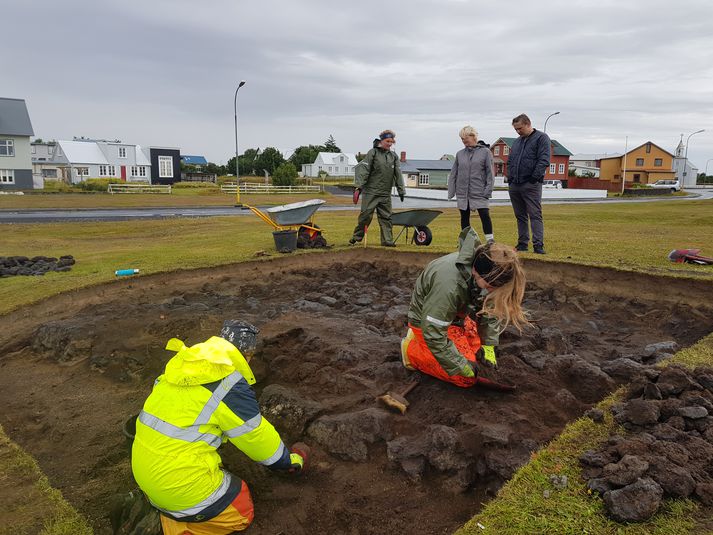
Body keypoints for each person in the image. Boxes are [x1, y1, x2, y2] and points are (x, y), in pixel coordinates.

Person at [131, 323, 308, 535]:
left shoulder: (182, 366)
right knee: (240, 510)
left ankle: (171, 511)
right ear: (247, 353)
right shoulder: (227, 383)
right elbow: (256, 436)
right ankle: (181, 528)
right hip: (178, 489)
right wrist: (289, 461)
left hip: (146, 477)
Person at [401, 227, 529, 387]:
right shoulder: (449, 285)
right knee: (464, 377)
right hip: (427, 321)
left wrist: (488, 345)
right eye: (491, 287)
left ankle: (453, 342)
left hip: (456, 316)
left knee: (476, 354)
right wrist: (460, 366)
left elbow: (489, 308)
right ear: (477, 273)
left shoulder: (485, 270)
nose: (492, 291)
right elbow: (434, 332)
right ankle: (411, 350)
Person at [349, 129, 406, 247]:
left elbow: (398, 174)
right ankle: (356, 237)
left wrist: (401, 190)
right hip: (371, 192)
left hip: (385, 193)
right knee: (365, 216)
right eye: (387, 141)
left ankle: (387, 241)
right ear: (382, 140)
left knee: (386, 217)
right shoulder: (373, 153)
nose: (389, 143)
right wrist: (358, 187)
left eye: (392, 141)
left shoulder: (393, 156)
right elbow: (364, 170)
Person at [507, 113, 551, 254]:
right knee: (520, 215)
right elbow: (511, 160)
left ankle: (538, 245)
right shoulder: (517, 142)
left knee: (535, 215)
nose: (518, 131)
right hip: (515, 184)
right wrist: (511, 178)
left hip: (531, 184)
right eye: (516, 129)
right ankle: (522, 243)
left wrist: (534, 178)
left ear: (527, 124)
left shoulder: (541, 138)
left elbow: (544, 159)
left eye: (519, 128)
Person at [448, 126, 495, 241]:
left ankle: (490, 241)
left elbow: (490, 173)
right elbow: (453, 174)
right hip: (463, 193)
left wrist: (487, 191)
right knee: (464, 217)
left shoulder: (485, 152)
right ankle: (466, 242)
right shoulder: (459, 154)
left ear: (473, 136)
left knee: (484, 215)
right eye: (462, 139)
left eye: (465, 138)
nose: (464, 141)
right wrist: (451, 192)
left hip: (479, 192)